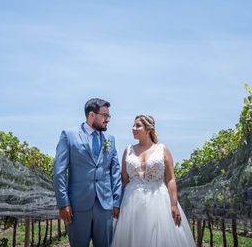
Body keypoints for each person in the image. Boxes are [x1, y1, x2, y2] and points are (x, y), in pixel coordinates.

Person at [110, 114, 195, 247]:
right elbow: (124, 181)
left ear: (148, 129)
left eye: (138, 125)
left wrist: (173, 204)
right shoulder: (128, 150)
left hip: (159, 199)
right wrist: (118, 204)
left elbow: (171, 179)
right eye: (133, 125)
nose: (133, 128)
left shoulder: (162, 149)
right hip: (131, 202)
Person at [53, 98, 122, 247]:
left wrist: (116, 201)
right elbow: (59, 172)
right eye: (104, 115)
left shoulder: (111, 139)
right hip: (77, 207)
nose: (107, 120)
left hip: (105, 207)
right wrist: (62, 203)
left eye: (108, 116)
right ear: (92, 115)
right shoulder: (68, 135)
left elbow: (115, 172)